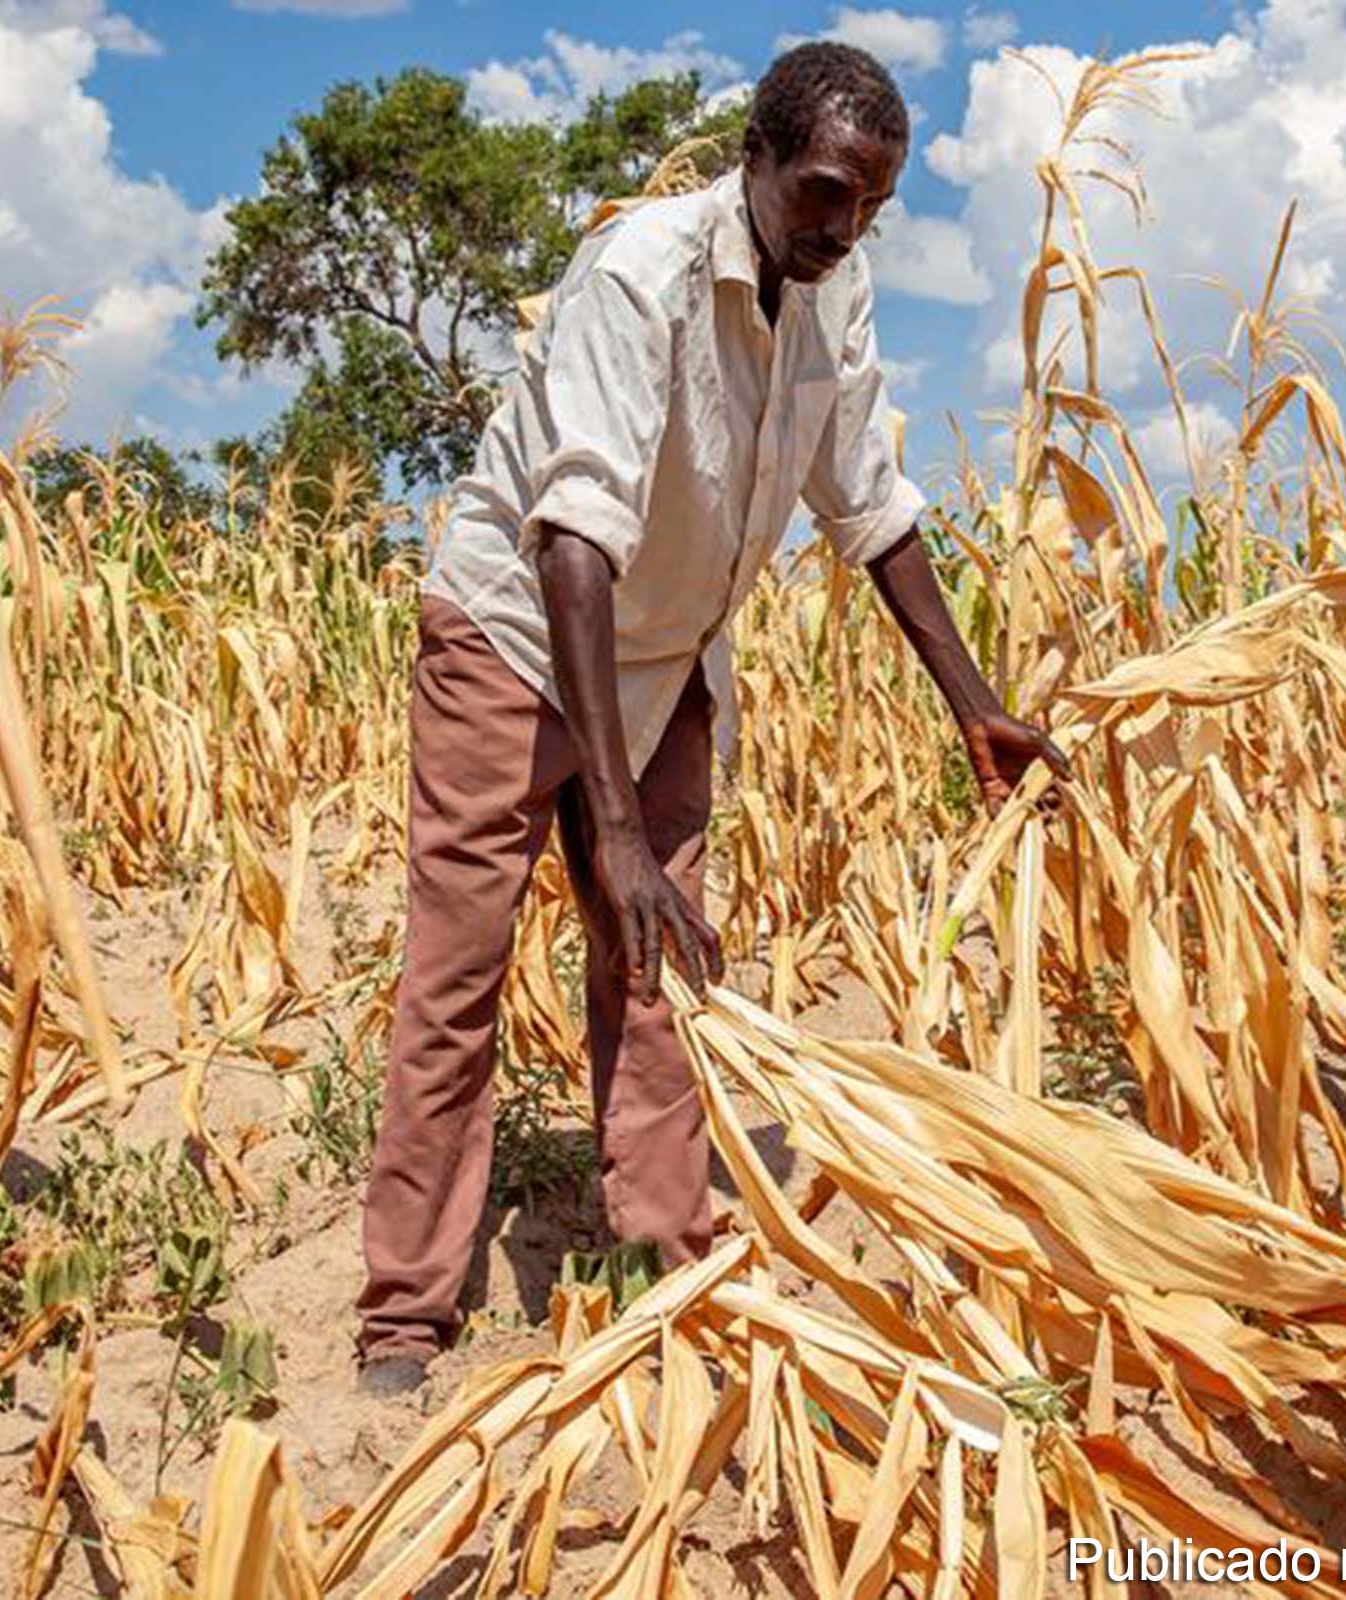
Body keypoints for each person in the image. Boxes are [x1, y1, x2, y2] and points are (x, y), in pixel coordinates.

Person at [355, 39, 1067, 1393]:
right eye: (820, 191)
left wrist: (975, 705)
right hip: (518, 640)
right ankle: (404, 1313)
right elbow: (574, 540)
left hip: (667, 654)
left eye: (868, 204)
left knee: (661, 962)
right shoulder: (642, 277)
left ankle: (667, 1256)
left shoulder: (830, 291)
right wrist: (606, 829)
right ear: (755, 156)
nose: (841, 225)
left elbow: (871, 504)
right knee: (458, 977)